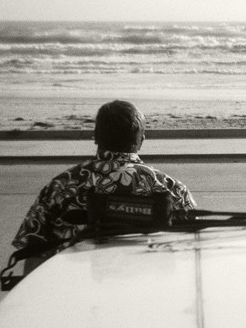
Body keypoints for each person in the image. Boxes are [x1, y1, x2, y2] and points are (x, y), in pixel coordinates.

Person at [12, 99, 195, 255]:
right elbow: (192, 251)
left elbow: (32, 250)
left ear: (96, 137)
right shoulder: (174, 190)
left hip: (74, 289)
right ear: (141, 140)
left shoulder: (61, 187)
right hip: (148, 290)